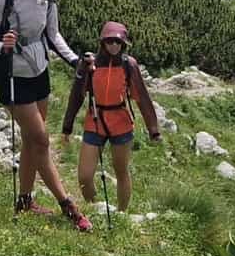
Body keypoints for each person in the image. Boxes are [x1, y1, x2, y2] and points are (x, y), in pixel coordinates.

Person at [0, 0, 91, 232]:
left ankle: (25, 201)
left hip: (39, 70)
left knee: (31, 140)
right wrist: (3, 46)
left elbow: (53, 34)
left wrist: (74, 60)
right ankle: (68, 205)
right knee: (41, 140)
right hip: (12, 76)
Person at [62, 22, 162, 214]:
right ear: (103, 42)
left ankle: (121, 214)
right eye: (110, 41)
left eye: (118, 42)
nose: (114, 45)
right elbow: (76, 95)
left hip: (121, 123)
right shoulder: (90, 65)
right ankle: (95, 209)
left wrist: (154, 130)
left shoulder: (128, 65)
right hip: (95, 121)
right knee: (84, 176)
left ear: (123, 44)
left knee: (121, 171)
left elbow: (142, 97)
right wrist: (67, 126)